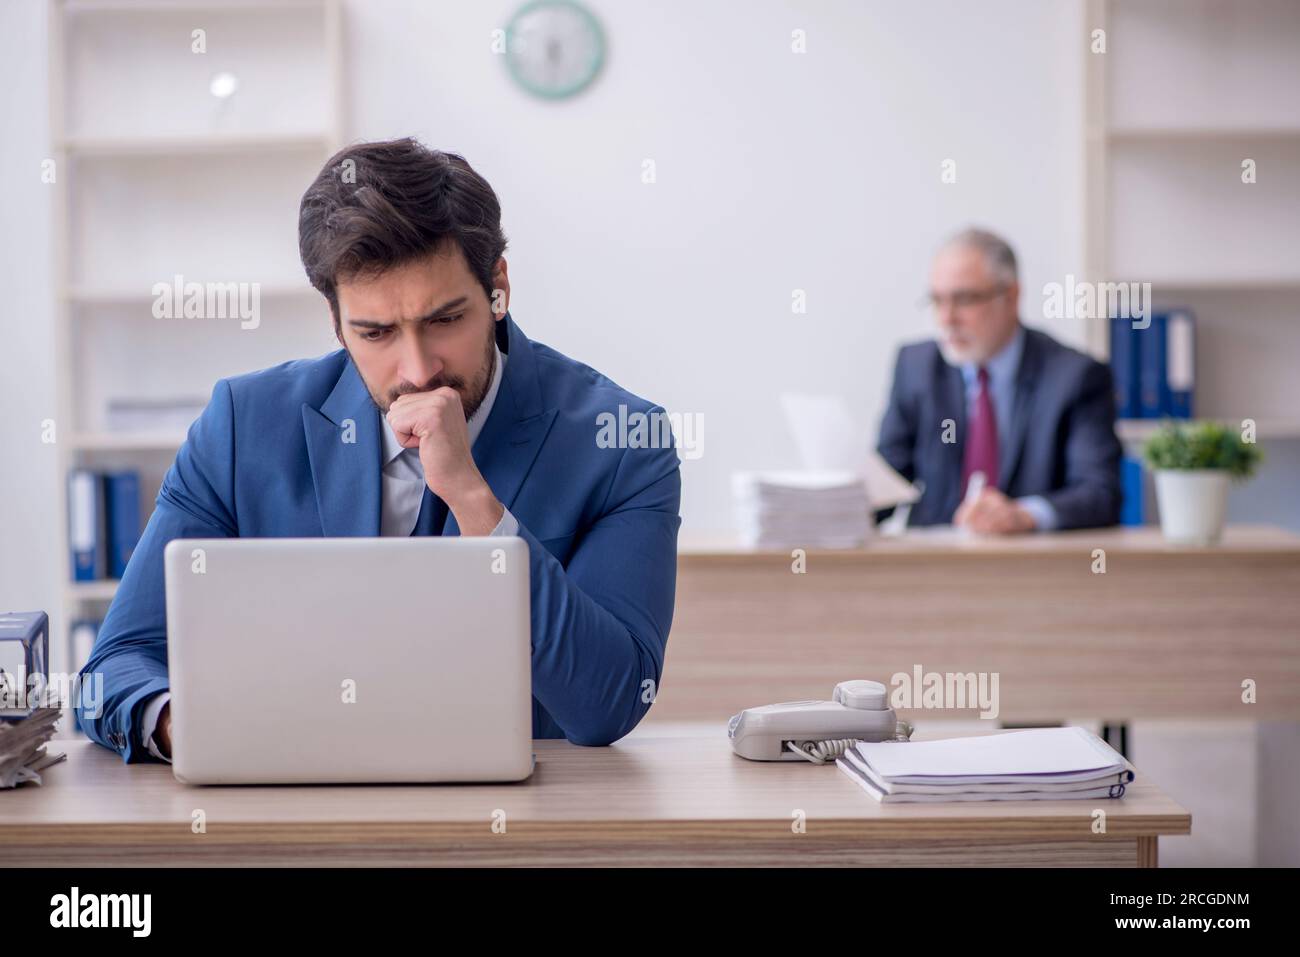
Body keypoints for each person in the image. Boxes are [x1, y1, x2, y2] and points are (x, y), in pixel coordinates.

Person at [78, 138, 681, 760]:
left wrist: (477, 504)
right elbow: (114, 668)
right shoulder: (242, 427)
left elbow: (608, 702)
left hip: (515, 835)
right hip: (291, 822)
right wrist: (193, 727)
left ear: (498, 286)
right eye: (376, 332)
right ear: (335, 321)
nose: (418, 370)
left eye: (446, 319)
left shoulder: (621, 443)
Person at [877, 228, 1121, 533]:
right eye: (937, 300)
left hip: (1032, 568)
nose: (946, 318)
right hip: (935, 566)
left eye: (964, 299)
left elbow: (1100, 493)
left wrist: (1024, 515)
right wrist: (830, 508)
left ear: (1011, 296)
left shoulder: (1075, 376)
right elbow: (887, 482)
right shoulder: (917, 367)